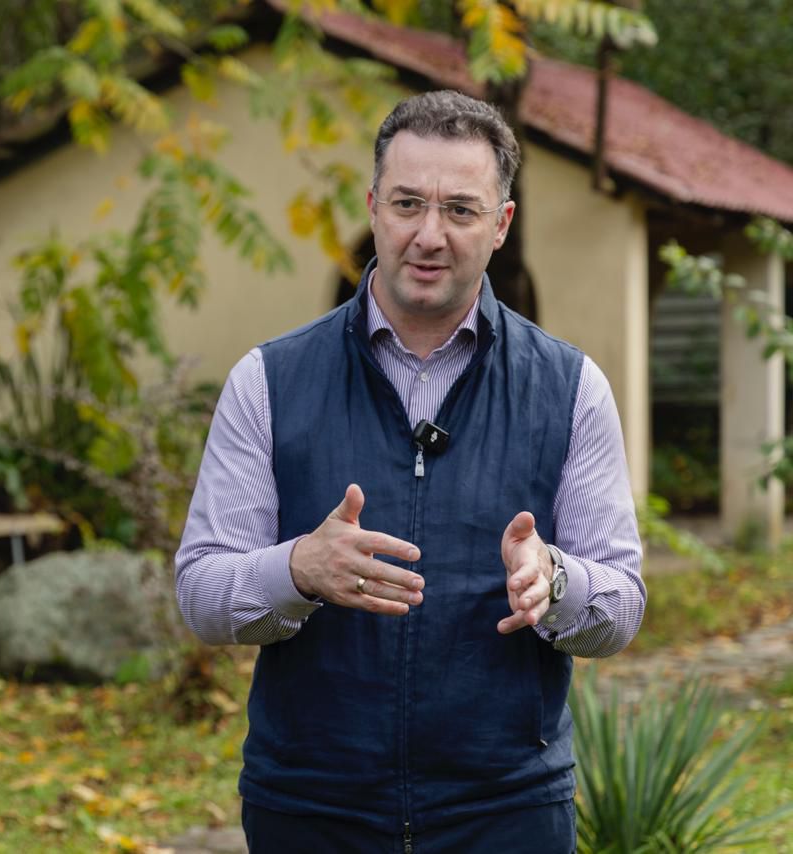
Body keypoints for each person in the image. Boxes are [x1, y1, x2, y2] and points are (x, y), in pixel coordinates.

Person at [176, 90, 645, 852]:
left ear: (501, 224)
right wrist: (297, 569)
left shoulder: (570, 389)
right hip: (311, 811)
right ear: (372, 209)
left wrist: (555, 582)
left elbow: (622, 605)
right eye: (407, 204)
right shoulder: (267, 381)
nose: (429, 235)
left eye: (460, 210)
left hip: (506, 813)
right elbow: (201, 592)